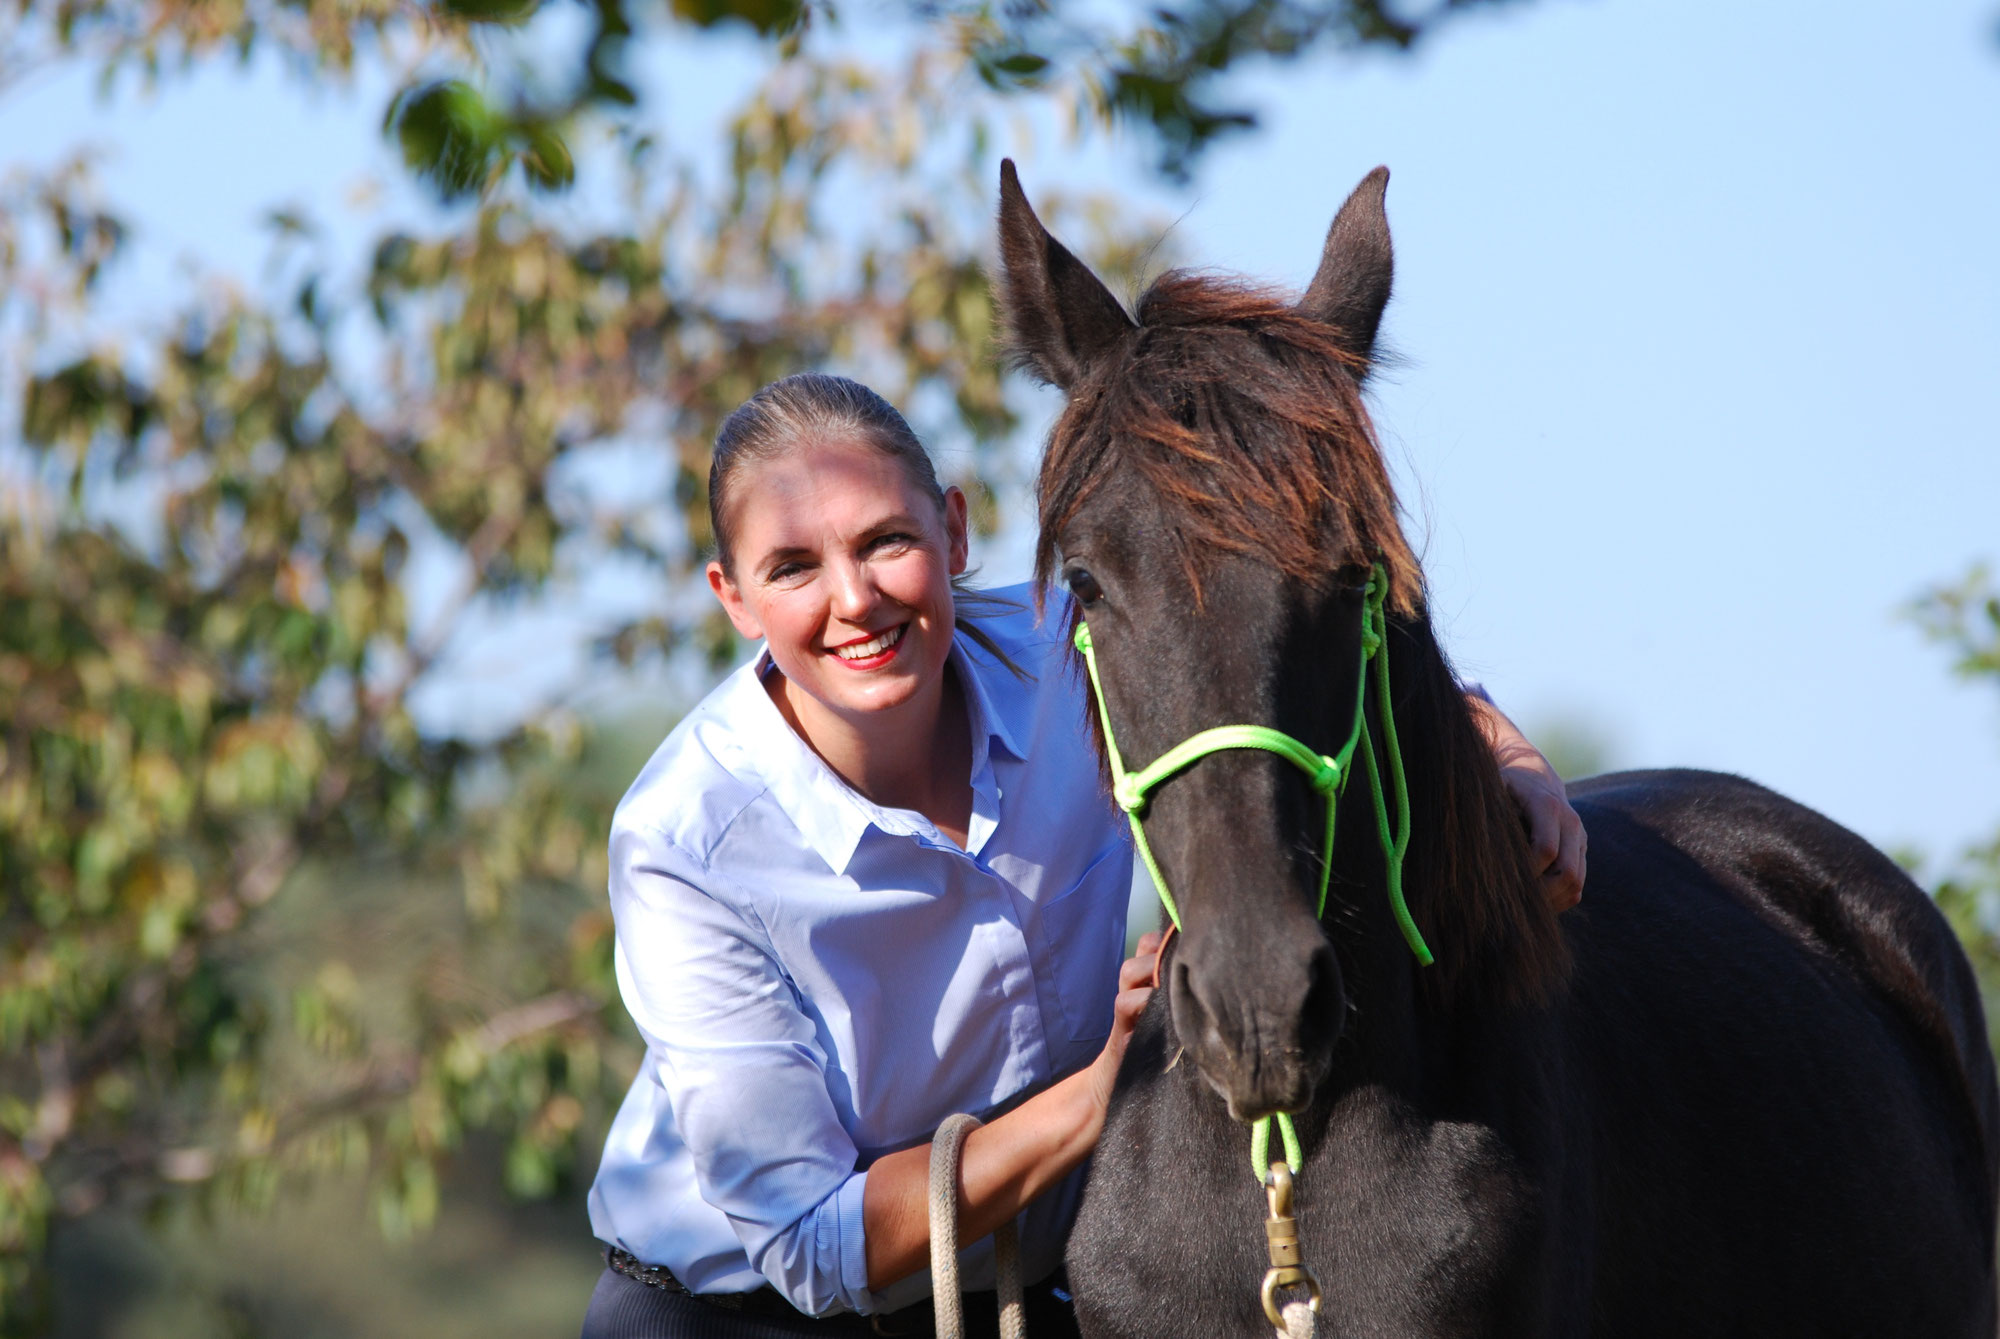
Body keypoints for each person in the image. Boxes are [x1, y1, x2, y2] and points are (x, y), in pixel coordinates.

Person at [579, 373, 1586, 1339]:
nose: (853, 599)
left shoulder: (1084, 644)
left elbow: (1279, 663)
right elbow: (811, 1243)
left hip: (1030, 1294)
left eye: (885, 541)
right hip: (737, 1316)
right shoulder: (683, 842)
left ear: (955, 531)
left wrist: (1507, 752)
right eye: (792, 566)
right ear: (734, 598)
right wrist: (1110, 1084)